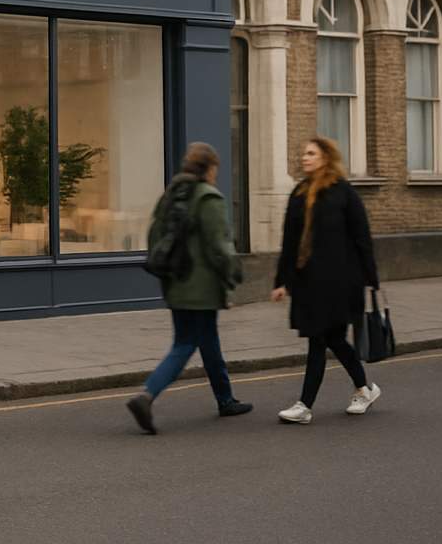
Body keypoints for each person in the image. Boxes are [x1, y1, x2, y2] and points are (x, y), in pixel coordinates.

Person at [125, 143, 252, 434]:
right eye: (215, 169)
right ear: (209, 168)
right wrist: (233, 275)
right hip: (202, 287)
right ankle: (146, 396)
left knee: (207, 340)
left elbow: (154, 234)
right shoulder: (208, 199)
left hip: (176, 282)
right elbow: (219, 247)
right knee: (185, 344)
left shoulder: (171, 195)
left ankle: (225, 399)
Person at [271, 136, 381, 424]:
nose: (305, 158)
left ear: (326, 158)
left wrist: (372, 279)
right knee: (332, 339)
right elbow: (290, 242)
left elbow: (362, 238)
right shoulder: (299, 193)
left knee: (319, 339)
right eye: (304, 153)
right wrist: (281, 281)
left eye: (311, 153)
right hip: (309, 282)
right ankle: (365, 389)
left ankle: (304, 405)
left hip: (341, 282)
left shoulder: (343, 193)